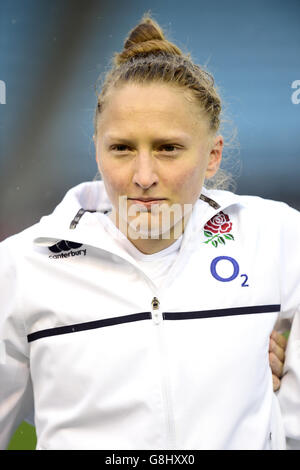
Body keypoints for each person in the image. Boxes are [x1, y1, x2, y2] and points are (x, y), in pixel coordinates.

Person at [0, 13, 298, 450]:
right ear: (96, 150)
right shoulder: (20, 266)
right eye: (122, 148)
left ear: (212, 155)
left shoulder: (278, 237)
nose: (143, 175)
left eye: (168, 148)